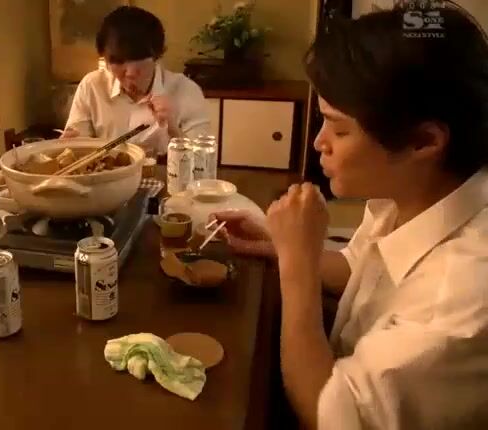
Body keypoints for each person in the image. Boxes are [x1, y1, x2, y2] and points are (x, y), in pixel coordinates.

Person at [213, 4, 488, 429]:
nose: (318, 142)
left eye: (339, 129)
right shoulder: (412, 193)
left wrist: (297, 268)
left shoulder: (456, 300)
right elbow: (358, 268)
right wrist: (279, 244)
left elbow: (325, 412)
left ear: (424, 141)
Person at [62, 6, 210, 155]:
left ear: (157, 55)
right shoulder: (92, 86)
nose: (131, 73)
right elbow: (76, 148)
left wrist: (173, 128)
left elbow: (201, 160)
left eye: (139, 59)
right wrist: (68, 147)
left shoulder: (186, 90)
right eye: (118, 61)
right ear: (105, 59)